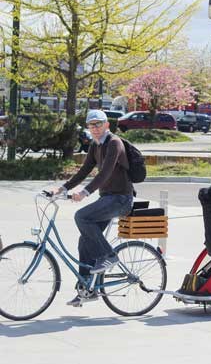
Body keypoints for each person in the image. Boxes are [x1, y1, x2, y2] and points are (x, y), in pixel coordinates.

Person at [52, 110, 134, 306]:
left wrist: (84, 193)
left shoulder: (114, 143)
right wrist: (62, 188)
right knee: (85, 241)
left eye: (98, 124)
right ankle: (87, 289)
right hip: (107, 198)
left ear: (107, 125)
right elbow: (83, 171)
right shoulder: (95, 145)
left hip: (121, 199)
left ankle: (109, 256)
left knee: (82, 216)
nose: (95, 128)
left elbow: (104, 173)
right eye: (91, 125)